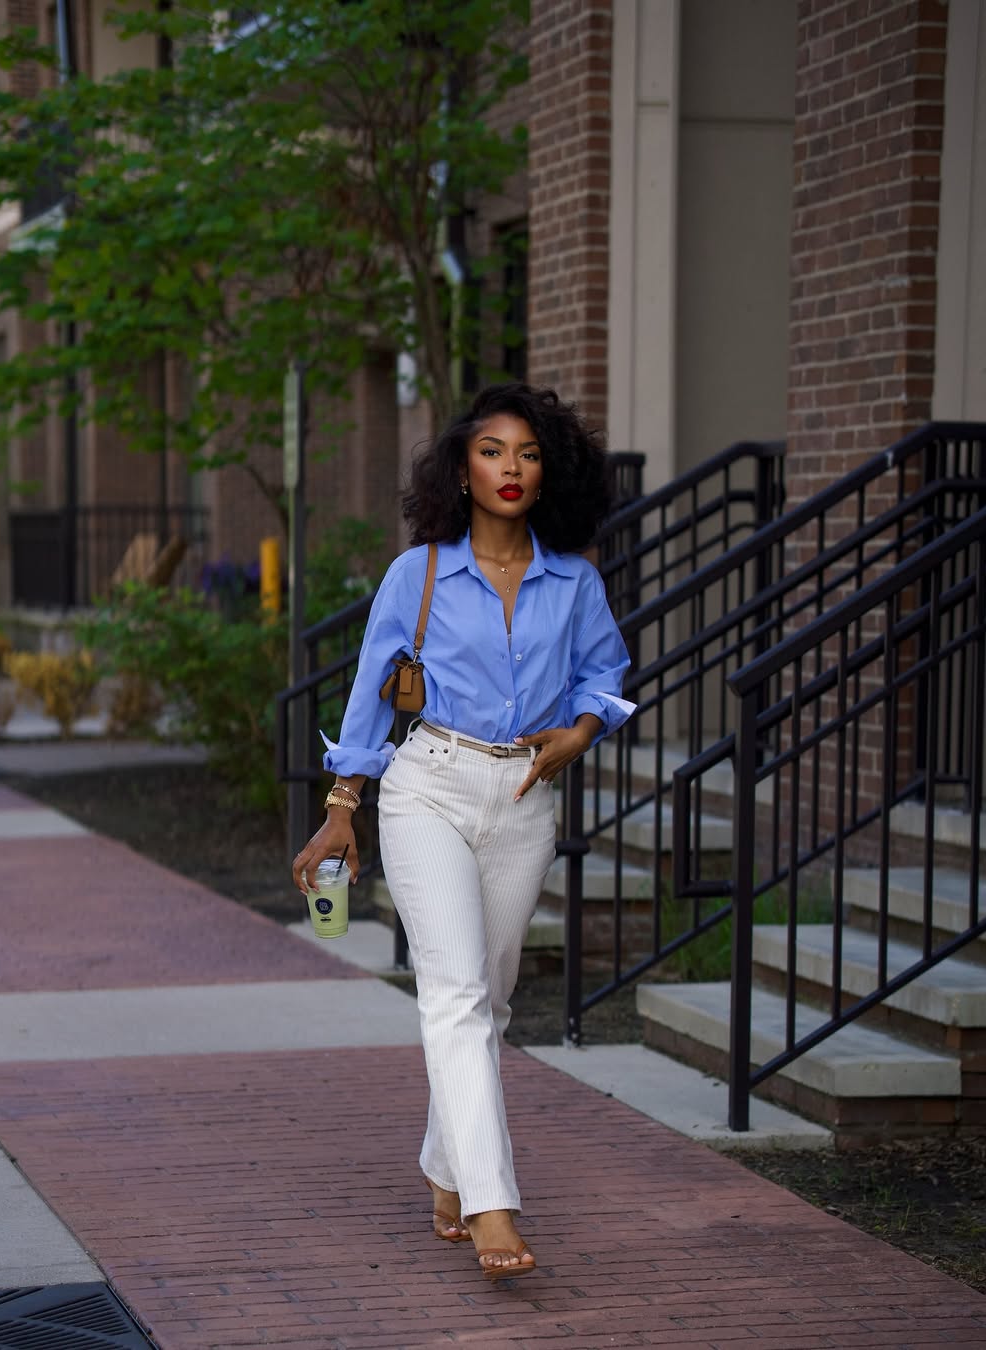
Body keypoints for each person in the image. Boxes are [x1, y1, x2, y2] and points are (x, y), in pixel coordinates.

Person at [292, 383, 634, 1280]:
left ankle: (446, 1168)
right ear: (461, 470)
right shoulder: (418, 574)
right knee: (453, 992)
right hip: (430, 787)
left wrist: (581, 732)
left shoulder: (575, 581)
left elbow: (605, 673)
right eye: (492, 451)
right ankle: (491, 1204)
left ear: (548, 472)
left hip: (524, 795)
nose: (510, 468)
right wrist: (341, 809)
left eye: (528, 453)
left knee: (492, 997)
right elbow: (371, 692)